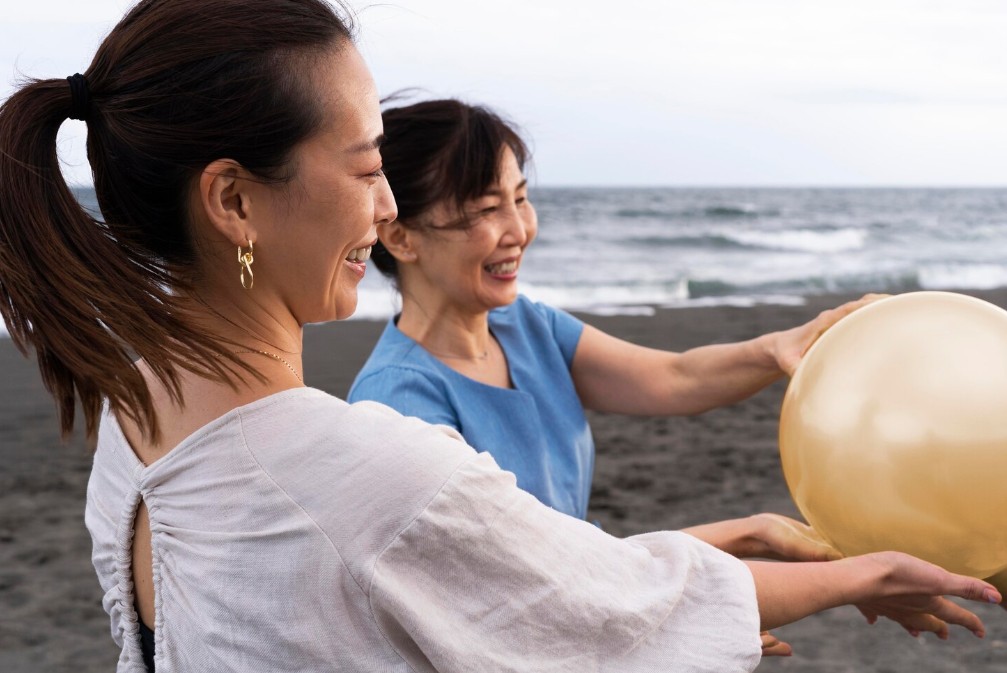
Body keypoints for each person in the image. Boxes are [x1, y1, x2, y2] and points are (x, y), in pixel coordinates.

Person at [0, 1, 1000, 671]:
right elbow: (575, 602)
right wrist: (858, 573)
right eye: (365, 169)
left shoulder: (134, 417)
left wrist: (750, 521)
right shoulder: (366, 459)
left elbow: (518, 575)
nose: (383, 207)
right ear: (233, 202)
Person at [349, 98, 872, 520]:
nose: (520, 230)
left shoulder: (529, 327)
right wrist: (743, 540)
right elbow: (516, 576)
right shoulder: (395, 402)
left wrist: (777, 348)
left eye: (521, 199)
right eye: (486, 209)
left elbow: (675, 378)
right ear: (400, 237)